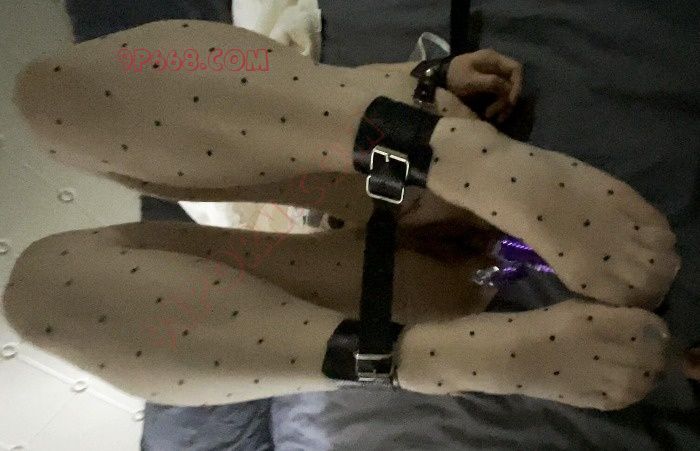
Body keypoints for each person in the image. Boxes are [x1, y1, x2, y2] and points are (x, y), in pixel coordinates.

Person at [4, 19, 680, 410]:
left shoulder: (199, 132)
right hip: (397, 293)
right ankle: (424, 360)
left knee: (47, 98)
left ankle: (429, 143)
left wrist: (399, 83)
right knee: (35, 296)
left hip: (397, 165)